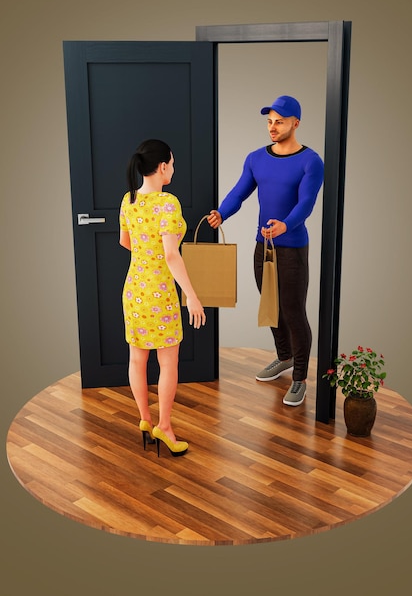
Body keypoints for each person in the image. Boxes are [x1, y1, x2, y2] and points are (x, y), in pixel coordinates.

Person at [207, 95, 324, 406]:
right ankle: (284, 357)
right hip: (263, 246)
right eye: (270, 122)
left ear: (295, 124)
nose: (273, 128)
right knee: (271, 307)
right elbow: (239, 192)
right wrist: (222, 212)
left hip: (292, 247)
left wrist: (286, 225)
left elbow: (307, 203)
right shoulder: (256, 158)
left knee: (293, 311)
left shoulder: (310, 161)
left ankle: (299, 377)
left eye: (280, 122)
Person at [119, 139, 206, 456]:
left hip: (134, 288)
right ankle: (164, 427)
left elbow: (125, 242)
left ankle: (145, 421)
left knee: (136, 358)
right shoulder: (168, 202)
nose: (173, 167)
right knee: (168, 361)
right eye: (172, 162)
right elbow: (171, 255)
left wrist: (146, 256)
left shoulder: (127, 201)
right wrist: (192, 296)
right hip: (161, 293)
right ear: (163, 166)